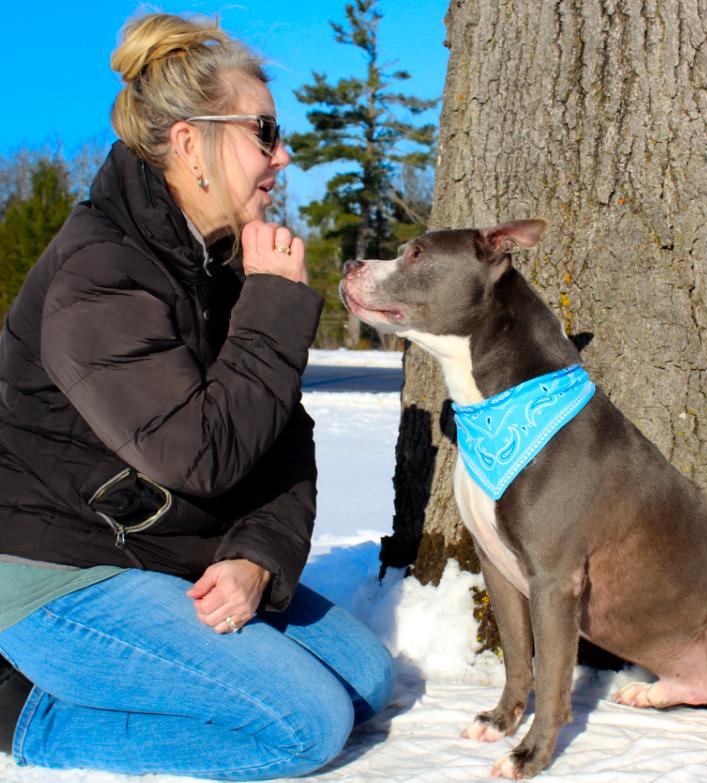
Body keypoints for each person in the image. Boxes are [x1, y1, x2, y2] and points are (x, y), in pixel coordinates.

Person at [0, 12, 394, 780]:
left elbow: (282, 440)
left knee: (366, 680)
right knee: (308, 726)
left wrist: (257, 555)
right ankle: (31, 714)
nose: (282, 157)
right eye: (265, 133)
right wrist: (275, 307)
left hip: (159, 555)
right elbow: (200, 454)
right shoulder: (100, 273)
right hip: (58, 570)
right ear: (190, 143)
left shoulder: (217, 262)